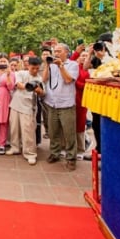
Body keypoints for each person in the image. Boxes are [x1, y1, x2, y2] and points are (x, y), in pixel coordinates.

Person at [42, 43, 79, 171]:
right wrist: (48, 65)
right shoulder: (51, 65)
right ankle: (55, 153)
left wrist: (61, 66)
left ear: (66, 53)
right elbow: (44, 79)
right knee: (53, 132)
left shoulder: (73, 65)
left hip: (66, 104)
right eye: (55, 51)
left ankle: (71, 158)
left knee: (69, 133)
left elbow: (68, 80)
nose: (56, 53)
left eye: (59, 51)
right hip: (51, 103)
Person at [8, 56, 44, 165]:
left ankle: (30, 153)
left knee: (28, 131)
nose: (35, 70)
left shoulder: (39, 78)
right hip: (16, 104)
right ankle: (15, 147)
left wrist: (39, 90)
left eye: (37, 68)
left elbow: (43, 93)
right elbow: (18, 84)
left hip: (28, 107)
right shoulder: (21, 73)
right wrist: (28, 86)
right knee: (14, 128)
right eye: (33, 68)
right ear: (28, 65)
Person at [75, 50, 91, 160]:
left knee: (80, 126)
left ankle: (81, 149)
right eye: (82, 56)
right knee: (70, 126)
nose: (83, 58)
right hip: (71, 101)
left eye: (86, 56)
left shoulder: (88, 71)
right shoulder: (74, 68)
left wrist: (74, 81)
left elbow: (86, 86)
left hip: (82, 101)